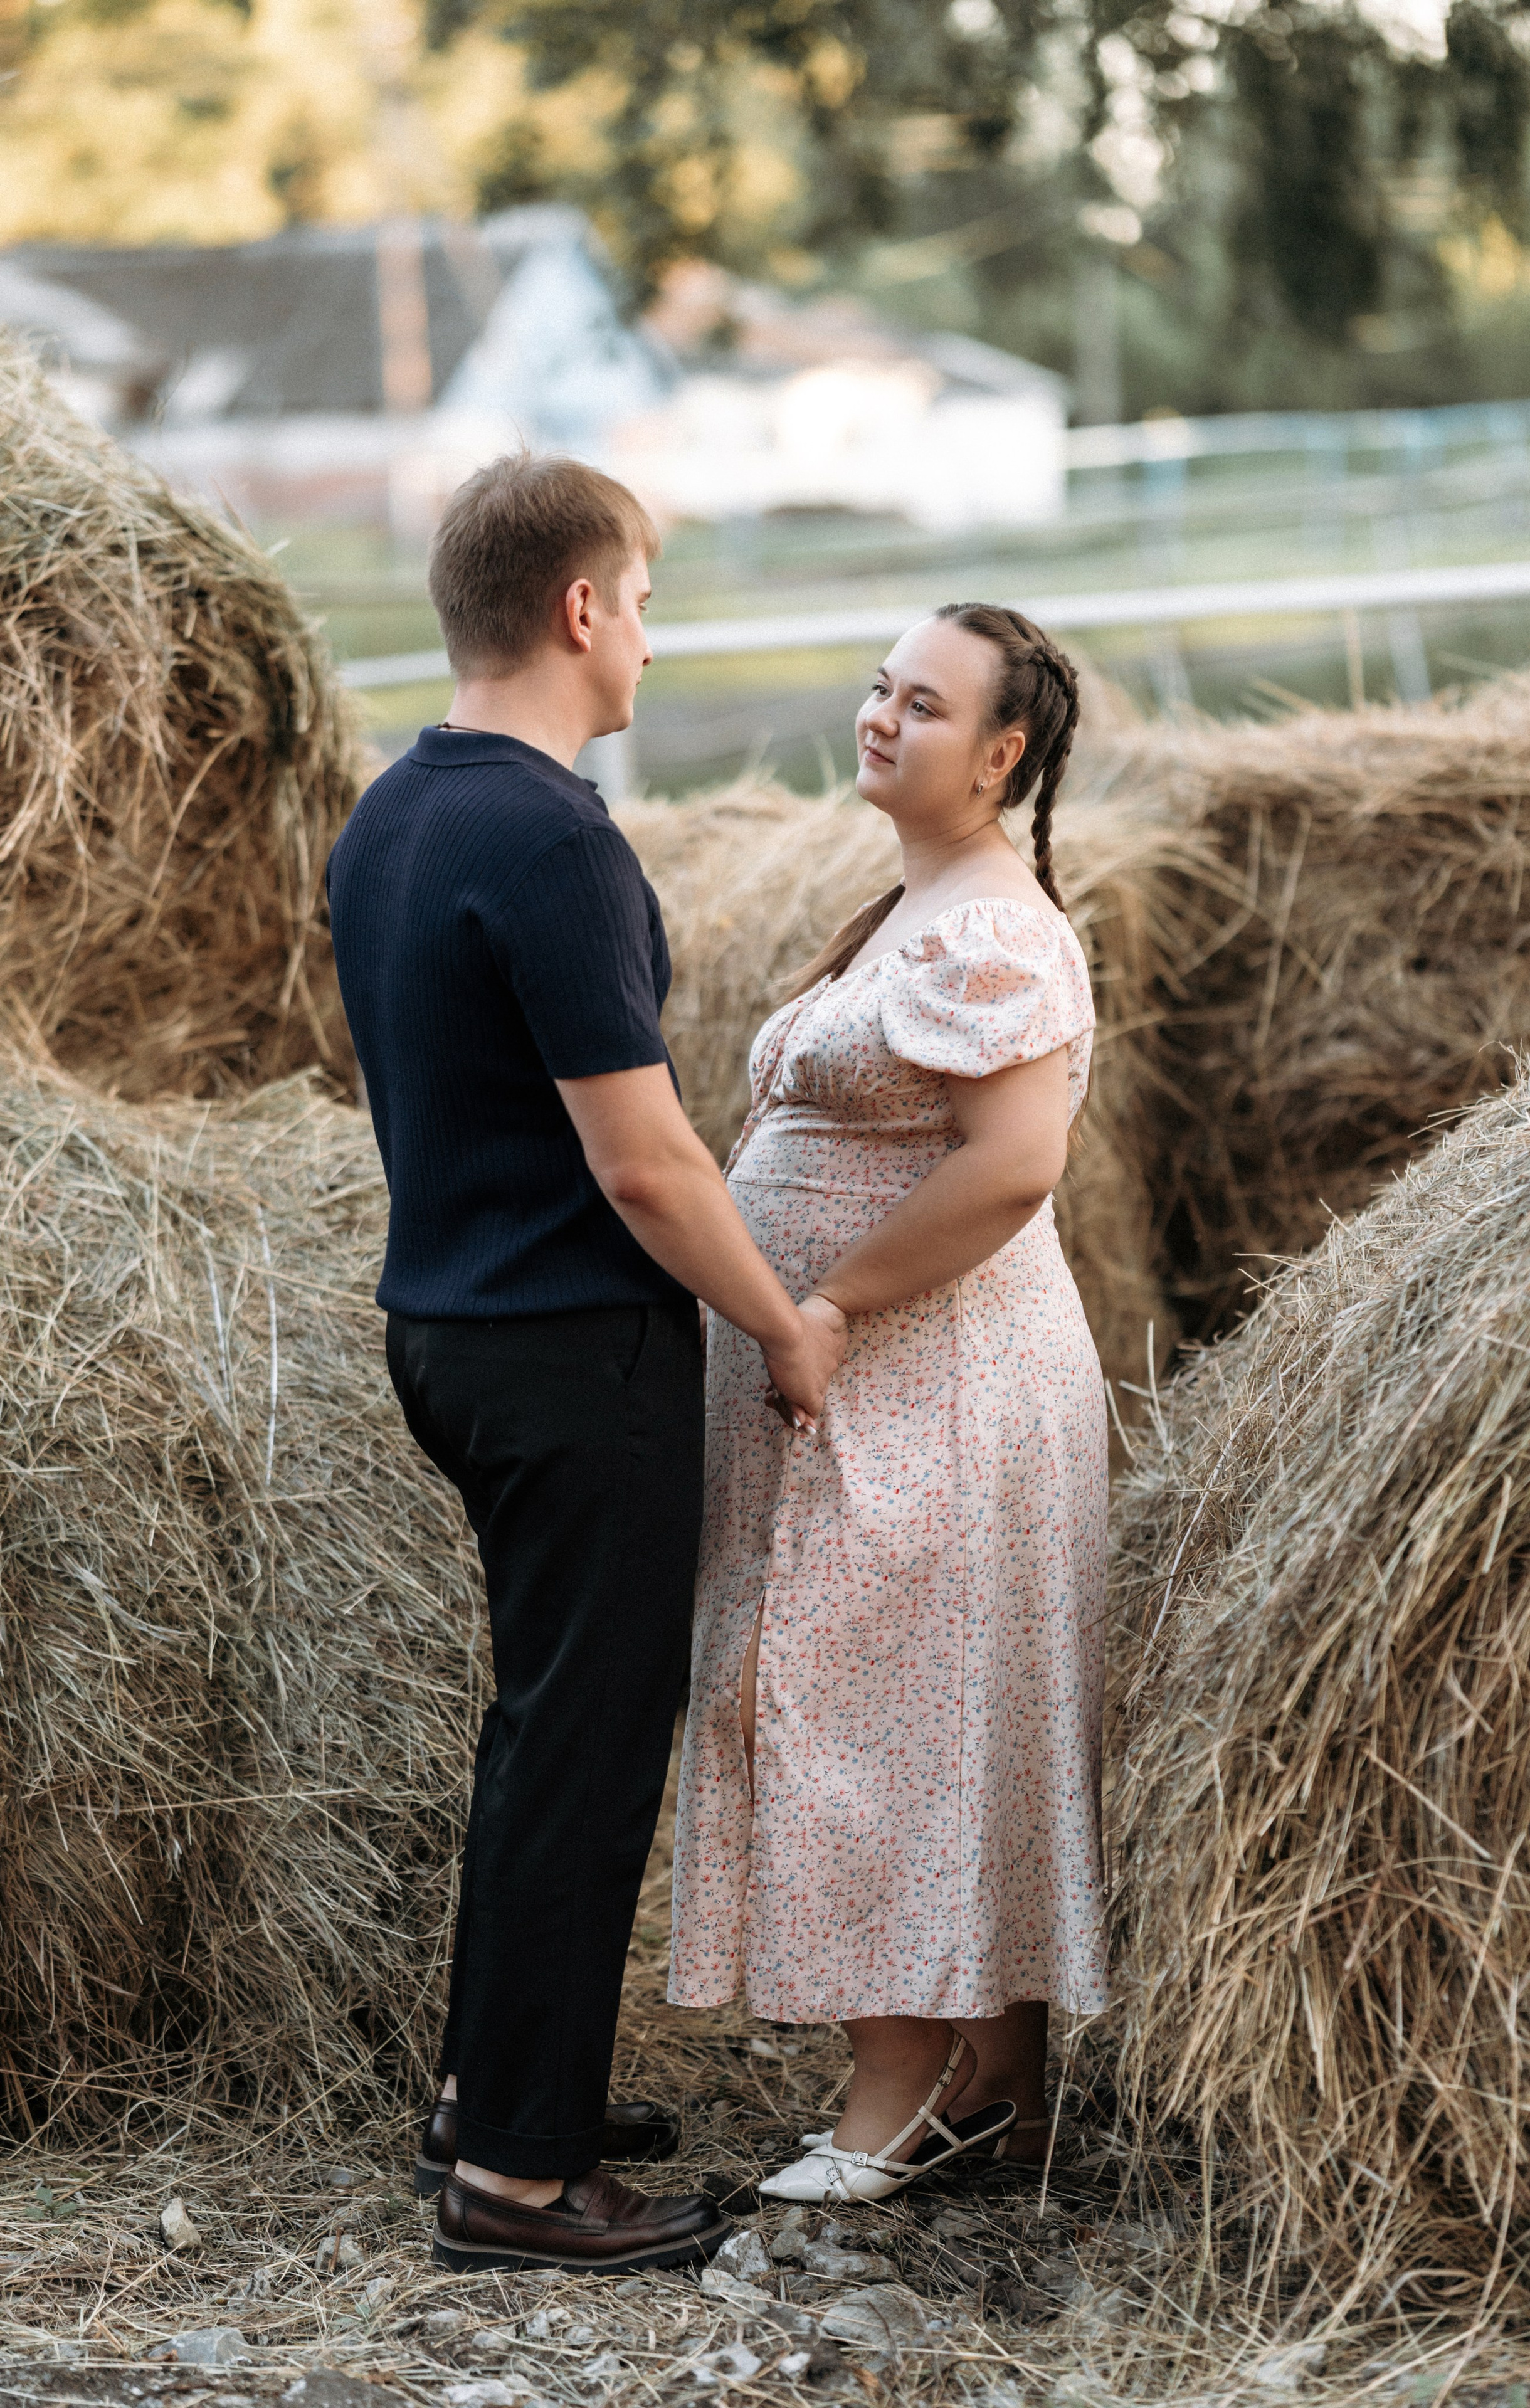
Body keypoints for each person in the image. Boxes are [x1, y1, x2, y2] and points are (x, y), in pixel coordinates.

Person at [325, 453, 842, 2273]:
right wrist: (786, 1324)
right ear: (579, 607)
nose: (650, 634)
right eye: (643, 595)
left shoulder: (393, 814)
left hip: (448, 1332)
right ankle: (524, 2189)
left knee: (540, 1729)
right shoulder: (550, 837)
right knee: (588, 1751)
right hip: (570, 1354)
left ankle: (497, 2092)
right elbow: (643, 1159)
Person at [668, 603, 1109, 2202]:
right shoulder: (914, 907)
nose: (878, 718)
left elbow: (1012, 1164)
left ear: (999, 755)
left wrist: (832, 1301)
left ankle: (897, 2089)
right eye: (876, 687)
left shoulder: (991, 928)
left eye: (922, 706)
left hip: (927, 1381)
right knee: (912, 1706)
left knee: (864, 1711)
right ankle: (992, 2087)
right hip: (870, 1385)